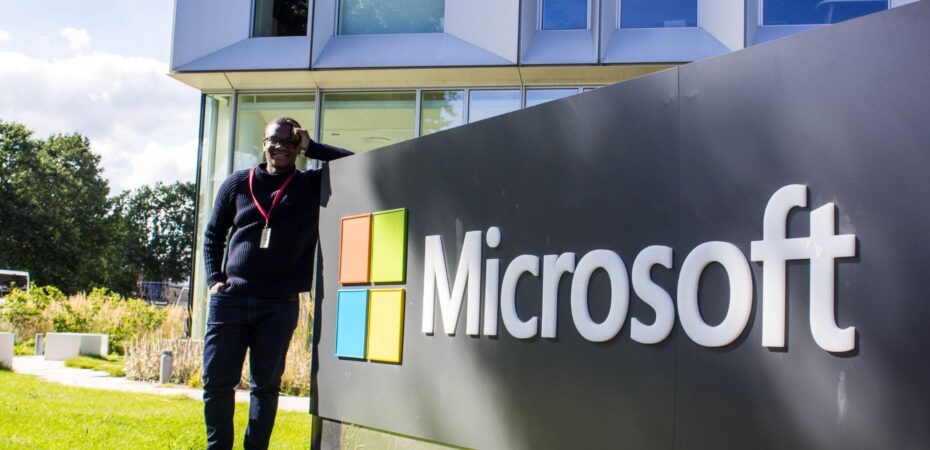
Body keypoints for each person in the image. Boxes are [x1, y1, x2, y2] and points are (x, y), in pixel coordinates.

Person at [201, 117, 352, 450]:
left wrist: (313, 147)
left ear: (298, 147)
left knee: (265, 387)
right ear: (263, 142)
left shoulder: (311, 184)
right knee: (216, 384)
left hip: (278, 305)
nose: (281, 147)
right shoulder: (237, 184)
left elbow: (353, 162)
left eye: (289, 142)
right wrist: (215, 281)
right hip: (231, 301)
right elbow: (212, 235)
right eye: (275, 140)